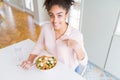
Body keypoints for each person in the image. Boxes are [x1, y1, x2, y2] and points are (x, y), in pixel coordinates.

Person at [21, 0, 88, 75]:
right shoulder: (46, 28)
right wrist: (29, 61)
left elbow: (84, 62)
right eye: (51, 15)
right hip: (52, 68)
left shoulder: (76, 35)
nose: (55, 21)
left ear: (66, 14)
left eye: (59, 15)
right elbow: (38, 46)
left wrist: (77, 46)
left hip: (69, 71)